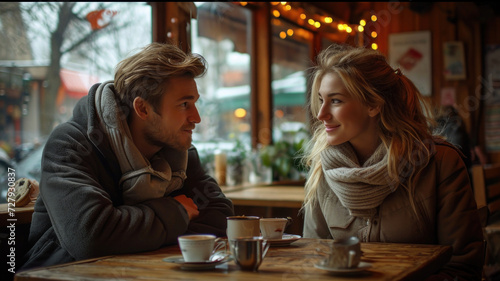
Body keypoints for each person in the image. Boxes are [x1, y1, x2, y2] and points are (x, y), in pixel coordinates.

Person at [20, 42, 234, 271]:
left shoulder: (178, 152)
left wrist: (130, 231)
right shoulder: (70, 145)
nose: (196, 117)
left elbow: (221, 216)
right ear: (142, 109)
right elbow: (91, 237)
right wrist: (178, 212)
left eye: (194, 103)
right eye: (184, 104)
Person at [301, 44, 484, 281]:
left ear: (374, 105)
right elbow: (313, 258)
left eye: (335, 101)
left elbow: (462, 268)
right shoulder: (323, 168)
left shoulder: (439, 163)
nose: (321, 114)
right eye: (320, 100)